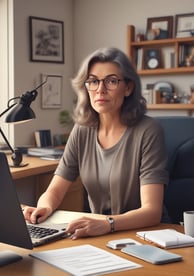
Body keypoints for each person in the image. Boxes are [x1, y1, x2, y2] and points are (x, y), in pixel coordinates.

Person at [24, 47, 169, 239]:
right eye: (93, 81)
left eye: (111, 81)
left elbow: (152, 211)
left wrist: (107, 223)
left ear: (128, 87)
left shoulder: (149, 131)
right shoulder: (82, 130)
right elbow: (55, 191)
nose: (100, 89)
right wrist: (43, 208)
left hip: (146, 235)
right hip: (100, 234)